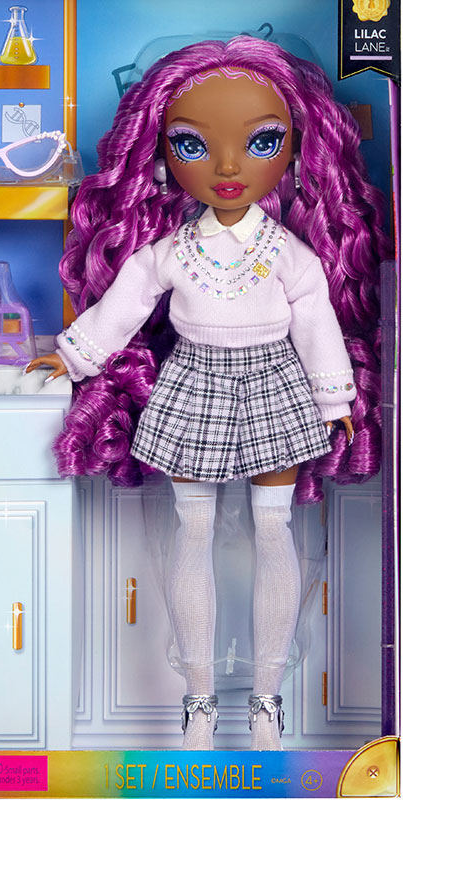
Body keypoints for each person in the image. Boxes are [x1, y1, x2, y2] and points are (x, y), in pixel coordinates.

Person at [26, 36, 389, 749]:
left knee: (273, 530)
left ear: (296, 150)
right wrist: (74, 358)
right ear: (162, 155)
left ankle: (266, 701)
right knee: (190, 531)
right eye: (194, 145)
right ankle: (198, 701)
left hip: (275, 384)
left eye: (261, 143)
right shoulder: (170, 252)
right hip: (193, 383)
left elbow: (316, 321)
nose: (227, 167)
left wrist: (334, 402)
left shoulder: (289, 254)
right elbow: (124, 305)